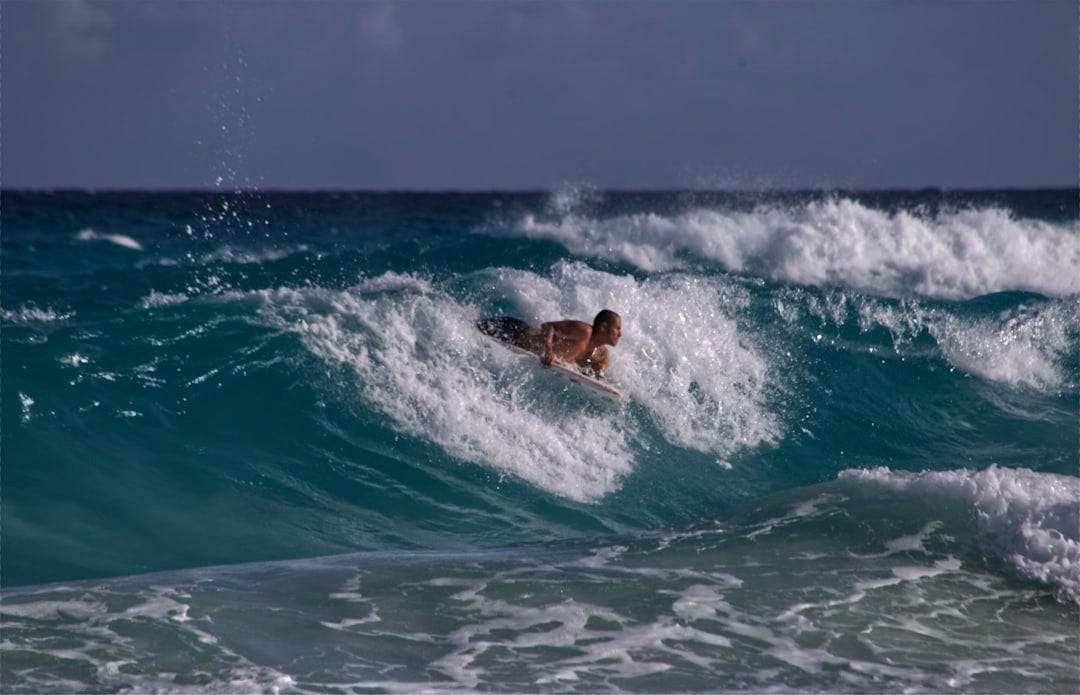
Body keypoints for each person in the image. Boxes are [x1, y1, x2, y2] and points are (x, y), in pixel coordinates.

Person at [515, 309, 622, 378]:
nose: (620, 334)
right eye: (617, 329)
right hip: (516, 334)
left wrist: (599, 373)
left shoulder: (601, 354)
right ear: (603, 327)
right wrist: (548, 350)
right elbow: (547, 326)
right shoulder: (584, 332)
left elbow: (598, 373)